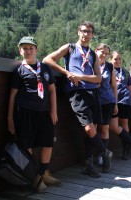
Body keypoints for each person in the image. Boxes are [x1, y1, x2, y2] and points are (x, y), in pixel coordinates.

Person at [43, 21, 112, 178]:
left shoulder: (93, 54)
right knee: (88, 128)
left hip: (93, 93)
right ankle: (105, 152)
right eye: (83, 31)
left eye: (89, 32)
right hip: (77, 93)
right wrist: (66, 73)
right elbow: (47, 60)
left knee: (91, 130)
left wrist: (81, 76)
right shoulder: (70, 48)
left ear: (92, 35)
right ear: (78, 32)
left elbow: (98, 78)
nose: (86, 34)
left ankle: (88, 165)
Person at [8, 36, 61, 193]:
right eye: (24, 48)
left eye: (31, 48)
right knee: (27, 145)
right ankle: (35, 178)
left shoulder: (44, 68)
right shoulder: (19, 70)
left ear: (36, 50)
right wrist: (10, 119)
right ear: (20, 51)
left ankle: (44, 173)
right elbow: (12, 96)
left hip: (44, 112)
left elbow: (52, 90)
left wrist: (54, 111)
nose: (28, 51)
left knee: (48, 143)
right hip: (25, 112)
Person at [109, 50, 131, 160]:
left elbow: (130, 88)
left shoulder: (125, 72)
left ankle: (126, 150)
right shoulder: (107, 69)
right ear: (110, 59)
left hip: (126, 100)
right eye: (115, 59)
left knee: (124, 123)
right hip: (113, 100)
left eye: (119, 59)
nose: (118, 61)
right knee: (114, 125)